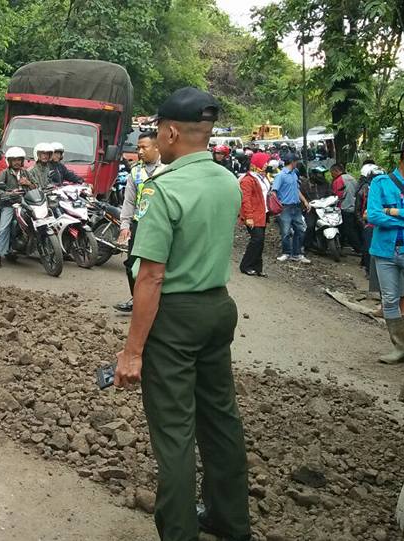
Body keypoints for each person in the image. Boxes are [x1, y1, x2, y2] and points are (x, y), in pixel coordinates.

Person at [114, 87, 250, 541]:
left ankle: (178, 532)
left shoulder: (164, 189)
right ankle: (230, 522)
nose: (155, 139)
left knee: (174, 432)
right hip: (218, 308)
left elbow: (151, 276)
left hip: (175, 317)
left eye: (156, 132)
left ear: (171, 131)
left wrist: (132, 352)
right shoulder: (226, 181)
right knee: (220, 420)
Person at [367, 134, 404, 407]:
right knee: (389, 299)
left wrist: (396, 213)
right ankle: (400, 348)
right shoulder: (380, 182)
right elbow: (372, 214)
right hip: (385, 251)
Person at [115, 132, 164, 312]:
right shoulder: (135, 171)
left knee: (157, 266)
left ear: (157, 147)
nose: (140, 151)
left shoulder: (168, 169)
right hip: (139, 224)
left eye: (144, 147)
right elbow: (129, 201)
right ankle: (137, 299)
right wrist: (125, 226)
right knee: (132, 265)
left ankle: (158, 303)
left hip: (159, 225)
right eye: (138, 148)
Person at [0, 147, 35, 269]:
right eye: (14, 160)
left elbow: (37, 188)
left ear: (22, 161)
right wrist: (9, 193)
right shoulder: (4, 173)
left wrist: (29, 184)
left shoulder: (26, 173)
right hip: (10, 205)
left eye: (19, 159)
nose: (16, 162)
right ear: (9, 161)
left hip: (26, 203)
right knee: (4, 227)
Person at [272, 153, 310, 263]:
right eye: (296, 161)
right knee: (285, 232)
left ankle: (297, 253)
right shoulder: (281, 175)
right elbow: (274, 192)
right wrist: (277, 207)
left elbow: (296, 190)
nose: (297, 163)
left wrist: (304, 201)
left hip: (296, 207)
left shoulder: (294, 174)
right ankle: (286, 252)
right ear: (292, 162)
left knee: (301, 230)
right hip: (285, 207)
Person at [239, 152, 271, 276]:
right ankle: (245, 265)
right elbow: (245, 200)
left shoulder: (262, 177)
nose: (266, 165)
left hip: (263, 213)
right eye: (264, 163)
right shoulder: (248, 180)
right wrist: (249, 217)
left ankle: (257, 267)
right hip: (253, 214)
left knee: (260, 241)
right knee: (257, 240)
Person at [330, 163, 361, 254]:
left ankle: (359, 248)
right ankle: (342, 246)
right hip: (354, 207)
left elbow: (337, 196)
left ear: (336, 171)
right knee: (351, 228)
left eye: (332, 173)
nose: (332, 175)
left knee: (348, 230)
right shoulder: (352, 178)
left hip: (345, 207)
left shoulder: (338, 180)